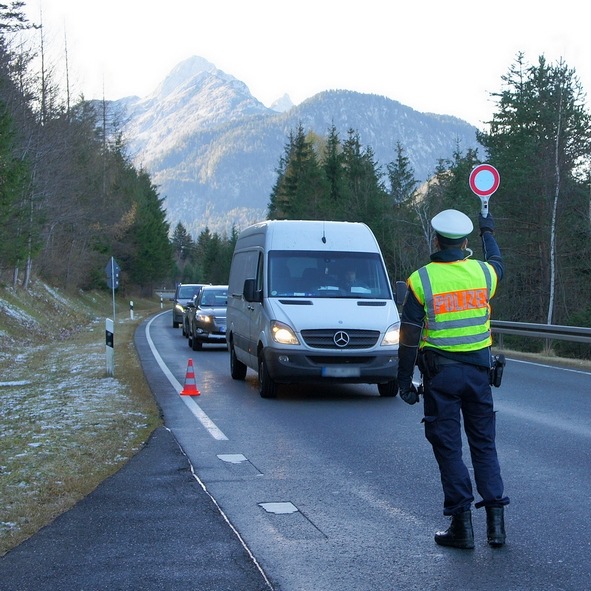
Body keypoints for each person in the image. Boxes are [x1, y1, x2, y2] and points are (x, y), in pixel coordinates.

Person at [397, 208, 509, 550]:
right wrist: (487, 231)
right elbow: (498, 263)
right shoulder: (483, 274)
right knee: (484, 445)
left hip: (440, 376)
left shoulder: (421, 280)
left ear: (436, 240)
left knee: (448, 446)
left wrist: (403, 381)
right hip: (478, 375)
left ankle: (461, 527)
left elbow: (409, 336)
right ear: (464, 242)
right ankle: (496, 527)